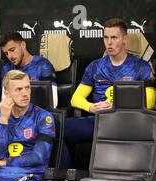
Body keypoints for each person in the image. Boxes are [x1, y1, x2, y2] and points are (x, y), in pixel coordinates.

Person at [64, 18, 155, 168]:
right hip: (99, 121)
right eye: (106, 38)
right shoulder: (95, 66)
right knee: (58, 129)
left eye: (114, 37)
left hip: (128, 122)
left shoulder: (141, 67)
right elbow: (76, 98)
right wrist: (91, 107)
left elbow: (150, 100)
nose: (109, 43)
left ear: (125, 39)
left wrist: (120, 104)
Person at [0, 31, 58, 108]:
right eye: (6, 53)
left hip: (38, 114)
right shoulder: (7, 69)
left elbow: (53, 102)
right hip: (15, 114)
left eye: (12, 50)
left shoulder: (42, 65)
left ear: (23, 45)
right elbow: (5, 100)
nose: (10, 56)